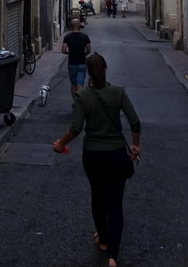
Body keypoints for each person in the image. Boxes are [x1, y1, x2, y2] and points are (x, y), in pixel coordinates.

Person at [53, 53, 141, 267]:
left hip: (93, 155)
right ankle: (113, 256)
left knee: (98, 197)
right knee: (115, 203)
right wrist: (135, 144)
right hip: (117, 154)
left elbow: (76, 128)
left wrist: (61, 144)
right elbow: (135, 121)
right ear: (106, 70)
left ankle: (103, 240)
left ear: (89, 74)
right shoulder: (118, 92)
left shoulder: (83, 96)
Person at [60, 16, 91, 97]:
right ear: (79, 25)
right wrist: (84, 54)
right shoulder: (85, 36)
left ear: (71, 26)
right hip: (82, 63)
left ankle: (75, 101)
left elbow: (63, 50)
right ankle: (80, 101)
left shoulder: (67, 37)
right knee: (80, 83)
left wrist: (69, 53)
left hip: (72, 63)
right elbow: (88, 50)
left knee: (73, 84)